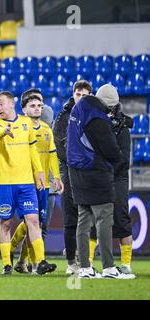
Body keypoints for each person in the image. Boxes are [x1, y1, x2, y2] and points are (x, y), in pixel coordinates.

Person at [67, 84, 134, 279]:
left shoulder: (78, 108)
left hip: (76, 173)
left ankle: (86, 268)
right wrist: (117, 156)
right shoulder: (98, 117)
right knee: (105, 219)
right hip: (94, 173)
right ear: (112, 105)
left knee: (83, 220)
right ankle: (109, 268)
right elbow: (112, 152)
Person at [0, 91, 56, 275]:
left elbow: (33, 150)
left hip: (26, 183)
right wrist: (5, 130)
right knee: (5, 223)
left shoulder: (26, 123)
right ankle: (6, 264)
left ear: (11, 104)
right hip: (5, 183)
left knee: (33, 221)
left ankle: (40, 261)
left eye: (1, 104)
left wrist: (40, 172)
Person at [11, 94, 64, 274]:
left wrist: (56, 177)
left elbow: (52, 154)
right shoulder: (21, 127)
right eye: (34, 104)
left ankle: (20, 257)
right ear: (25, 107)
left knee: (38, 225)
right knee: (34, 224)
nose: (38, 107)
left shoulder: (46, 126)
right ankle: (33, 262)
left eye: (40, 104)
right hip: (26, 182)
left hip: (45, 184)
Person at [88, 85, 135, 275]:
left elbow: (123, 161)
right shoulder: (92, 124)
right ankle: (88, 261)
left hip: (117, 178)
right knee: (92, 220)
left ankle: (126, 263)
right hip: (98, 176)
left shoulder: (123, 129)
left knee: (121, 220)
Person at [53, 80, 92, 275]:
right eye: (78, 94)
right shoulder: (63, 118)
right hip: (69, 172)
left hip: (89, 172)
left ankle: (85, 259)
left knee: (88, 217)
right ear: (73, 94)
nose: (81, 98)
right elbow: (60, 149)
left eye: (85, 95)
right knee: (70, 217)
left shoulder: (94, 116)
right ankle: (71, 262)